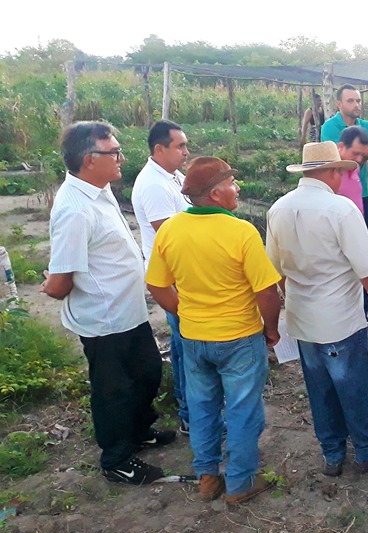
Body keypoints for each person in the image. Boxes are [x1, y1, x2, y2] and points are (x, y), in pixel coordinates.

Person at [146, 156, 282, 505]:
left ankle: (207, 478)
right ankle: (239, 484)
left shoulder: (171, 230)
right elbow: (266, 291)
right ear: (217, 193)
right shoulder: (240, 232)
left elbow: (158, 286)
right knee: (242, 410)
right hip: (238, 337)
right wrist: (272, 329)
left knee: (203, 407)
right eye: (232, 183)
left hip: (194, 337)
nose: (237, 189)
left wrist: (188, 312)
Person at [43, 121, 173, 486]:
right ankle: (116, 459)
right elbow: (61, 280)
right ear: (89, 159)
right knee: (114, 391)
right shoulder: (74, 209)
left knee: (147, 374)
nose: (121, 158)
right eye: (113, 152)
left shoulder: (99, 191)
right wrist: (49, 285)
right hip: (103, 320)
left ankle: (139, 432)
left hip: (127, 311)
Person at [268, 141, 368, 478]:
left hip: (301, 316)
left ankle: (332, 453)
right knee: (353, 386)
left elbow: (275, 269)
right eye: (340, 171)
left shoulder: (278, 209)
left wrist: (291, 295)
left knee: (319, 388)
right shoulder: (341, 210)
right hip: (339, 317)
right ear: (332, 172)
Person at [132, 120, 191, 435]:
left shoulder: (172, 176)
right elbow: (170, 236)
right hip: (173, 276)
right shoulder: (153, 185)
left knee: (187, 341)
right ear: (159, 149)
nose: (186, 151)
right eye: (180, 146)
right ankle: (188, 413)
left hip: (182, 272)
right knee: (184, 343)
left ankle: (191, 407)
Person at [321, 84, 368, 339]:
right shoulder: (329, 126)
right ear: (339, 104)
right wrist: (363, 148)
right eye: (350, 101)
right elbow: (335, 154)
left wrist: (357, 148)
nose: (356, 105)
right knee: (339, 259)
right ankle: (344, 317)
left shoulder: (365, 124)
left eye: (358, 100)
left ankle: (361, 318)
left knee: (359, 257)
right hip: (337, 199)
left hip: (362, 199)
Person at [337, 126, 368, 214]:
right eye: (355, 153)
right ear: (341, 146)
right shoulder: (329, 172)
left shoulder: (355, 167)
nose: (359, 159)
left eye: (362, 155)